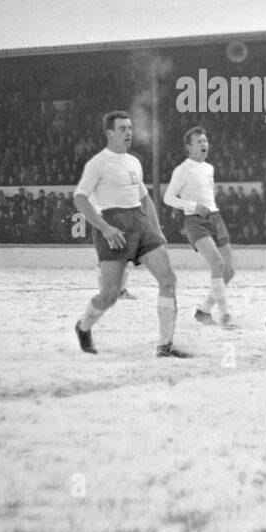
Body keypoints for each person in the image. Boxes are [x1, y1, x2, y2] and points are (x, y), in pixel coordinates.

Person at [73, 111, 188, 357]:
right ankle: (83, 327)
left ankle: (165, 346)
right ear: (109, 133)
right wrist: (105, 227)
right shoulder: (98, 163)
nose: (128, 133)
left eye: (130, 128)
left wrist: (156, 230)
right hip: (113, 224)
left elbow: (144, 198)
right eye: (123, 128)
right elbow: (80, 199)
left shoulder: (134, 162)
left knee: (168, 280)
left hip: (140, 222)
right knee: (110, 294)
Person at [164, 126, 234, 327]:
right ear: (189, 147)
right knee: (217, 264)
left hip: (215, 217)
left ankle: (204, 311)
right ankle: (225, 315)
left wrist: (211, 210)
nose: (205, 144)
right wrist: (193, 206)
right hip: (195, 221)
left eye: (205, 141)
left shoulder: (209, 168)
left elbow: (207, 194)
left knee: (229, 271)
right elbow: (168, 198)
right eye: (200, 142)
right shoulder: (182, 169)